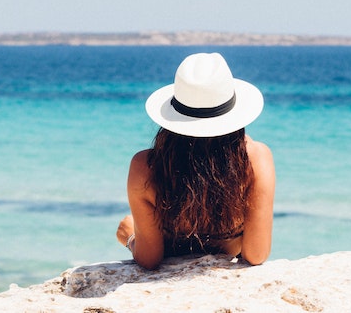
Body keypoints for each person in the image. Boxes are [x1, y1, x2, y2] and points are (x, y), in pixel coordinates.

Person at [116, 53, 275, 270]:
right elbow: (256, 254)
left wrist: (130, 237)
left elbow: (150, 259)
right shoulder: (255, 159)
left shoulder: (145, 166)